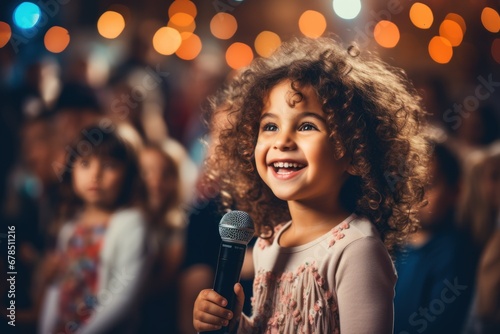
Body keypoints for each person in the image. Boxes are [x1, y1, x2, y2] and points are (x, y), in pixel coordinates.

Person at [192, 36, 430, 333]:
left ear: (356, 154)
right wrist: (235, 323)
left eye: (306, 126)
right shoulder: (268, 244)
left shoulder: (356, 250)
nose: (282, 140)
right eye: (270, 126)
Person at [38, 124, 149, 334]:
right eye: (86, 163)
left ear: (129, 174)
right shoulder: (70, 228)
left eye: (109, 166)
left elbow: (122, 297)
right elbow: (57, 288)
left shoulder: (131, 224)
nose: (95, 174)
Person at [394, 140, 478, 334]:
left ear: (455, 191)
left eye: (429, 184)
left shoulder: (455, 254)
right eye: (412, 183)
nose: (416, 195)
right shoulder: (392, 245)